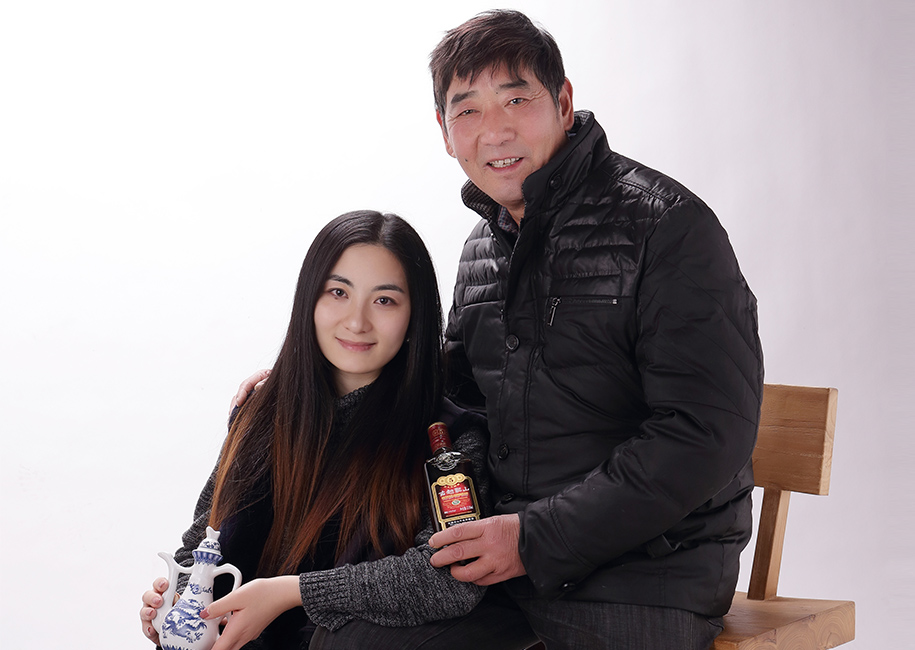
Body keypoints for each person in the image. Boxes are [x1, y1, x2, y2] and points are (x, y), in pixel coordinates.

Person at [421, 9, 765, 650]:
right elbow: (454, 402)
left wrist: (533, 539)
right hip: (509, 567)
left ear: (563, 102)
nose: (494, 130)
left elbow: (705, 432)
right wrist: (317, 379)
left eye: (516, 99)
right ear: (444, 131)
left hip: (646, 576)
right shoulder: (482, 249)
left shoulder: (667, 226)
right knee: (344, 636)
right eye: (467, 110)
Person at [139, 210, 536, 650]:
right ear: (309, 299)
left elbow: (451, 577)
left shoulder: (447, 440)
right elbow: (201, 542)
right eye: (338, 293)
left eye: (385, 300)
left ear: (415, 315)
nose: (357, 321)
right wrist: (175, 603)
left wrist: (296, 592)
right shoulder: (261, 412)